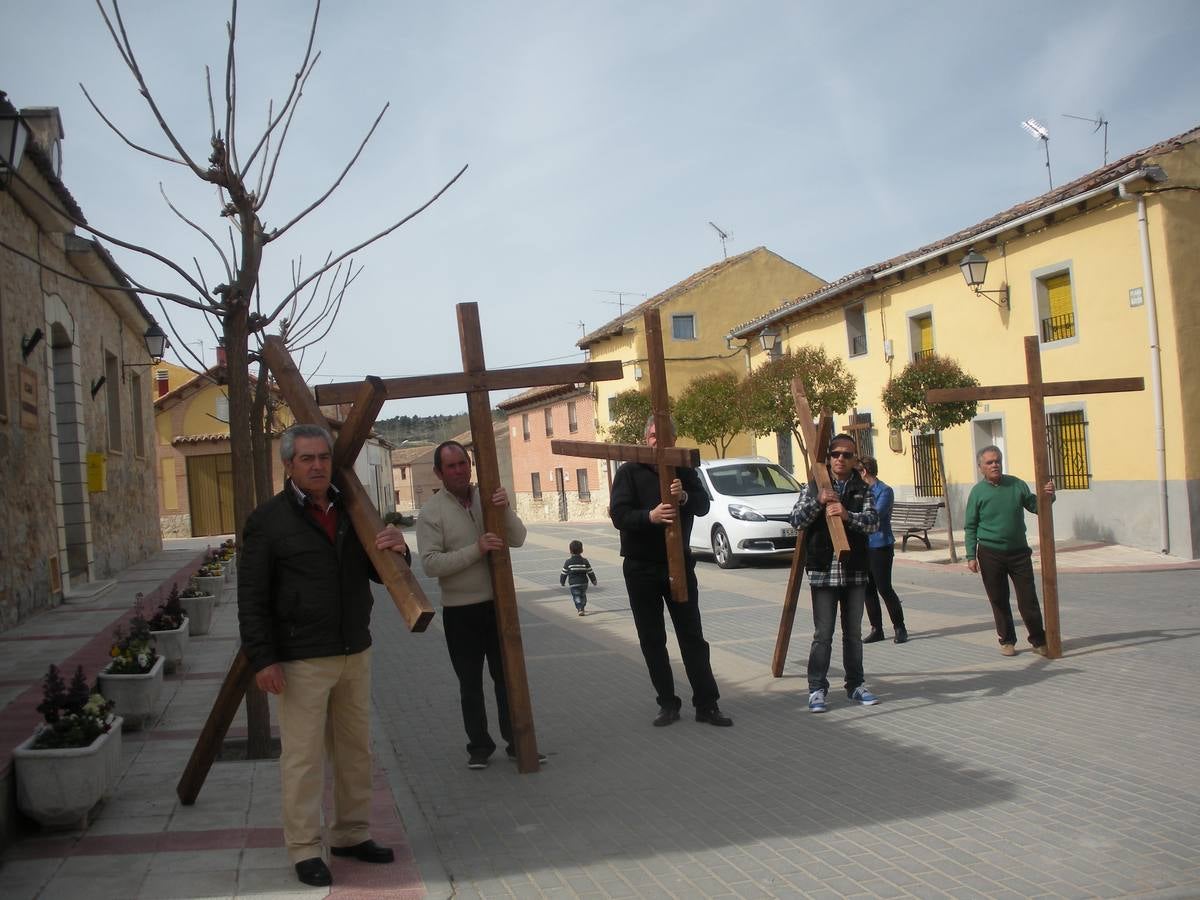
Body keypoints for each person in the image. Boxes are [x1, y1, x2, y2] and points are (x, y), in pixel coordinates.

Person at [238, 424, 410, 888]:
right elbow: (251, 598)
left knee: (355, 752)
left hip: (355, 649)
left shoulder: (352, 510)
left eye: (323, 458)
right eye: (306, 459)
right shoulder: (267, 521)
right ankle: (305, 849)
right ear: (288, 465)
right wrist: (263, 659)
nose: (317, 466)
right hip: (300, 659)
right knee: (303, 758)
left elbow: (381, 573)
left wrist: (400, 549)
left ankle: (351, 834)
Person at [416, 440, 537, 770]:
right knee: (470, 684)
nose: (459, 470)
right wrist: (476, 549)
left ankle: (517, 742)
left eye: (463, 463)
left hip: (499, 607)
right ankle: (479, 747)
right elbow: (430, 564)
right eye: (451, 466)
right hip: (460, 611)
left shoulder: (487, 497)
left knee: (507, 678)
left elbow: (518, 538)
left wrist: (505, 508)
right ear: (439, 472)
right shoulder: (430, 513)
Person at [609, 416, 733, 728]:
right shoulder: (629, 471)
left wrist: (685, 497)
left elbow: (703, 505)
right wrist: (649, 516)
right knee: (652, 639)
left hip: (679, 563)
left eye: (664, 435)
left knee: (692, 638)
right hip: (640, 567)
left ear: (674, 439)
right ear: (645, 438)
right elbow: (619, 514)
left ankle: (707, 704)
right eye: (652, 435)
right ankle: (667, 703)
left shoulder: (684, 468)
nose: (657, 441)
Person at [789, 433, 880, 713]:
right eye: (836, 454)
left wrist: (848, 515)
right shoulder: (816, 484)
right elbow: (796, 520)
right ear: (828, 458)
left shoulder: (862, 488)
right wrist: (819, 501)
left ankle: (855, 685)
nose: (841, 459)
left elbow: (873, 523)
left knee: (853, 633)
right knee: (823, 633)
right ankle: (817, 689)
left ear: (855, 460)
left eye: (847, 455)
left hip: (853, 571)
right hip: (823, 571)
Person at [964, 445, 1054, 657]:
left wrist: (1047, 495)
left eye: (997, 461)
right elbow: (970, 525)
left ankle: (1038, 640)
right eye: (989, 462)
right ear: (981, 468)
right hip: (989, 552)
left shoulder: (1016, 485)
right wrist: (970, 555)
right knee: (998, 598)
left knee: (1028, 599)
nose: (994, 465)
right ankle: (1007, 640)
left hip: (1018, 552)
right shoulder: (978, 492)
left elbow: (1036, 506)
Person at [858, 456, 908, 644]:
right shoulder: (860, 491)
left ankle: (899, 627)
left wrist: (854, 516)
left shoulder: (884, 491)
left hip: (880, 545)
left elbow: (875, 516)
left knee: (884, 588)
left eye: (858, 471)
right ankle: (876, 629)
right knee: (867, 589)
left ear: (864, 471)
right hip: (864, 546)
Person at [560, 539, 598, 616]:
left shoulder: (568, 562)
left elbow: (564, 573)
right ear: (582, 550)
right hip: (584, 583)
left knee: (576, 595)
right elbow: (590, 572)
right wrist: (594, 580)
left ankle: (579, 608)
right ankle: (582, 607)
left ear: (570, 551)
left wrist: (562, 581)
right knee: (583, 595)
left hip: (573, 583)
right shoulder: (585, 561)